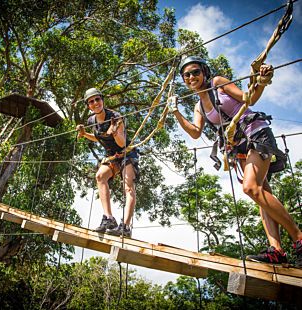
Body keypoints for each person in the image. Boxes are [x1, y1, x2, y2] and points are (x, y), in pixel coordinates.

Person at [169, 56, 302, 266]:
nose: (191, 77)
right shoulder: (199, 107)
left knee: (251, 188)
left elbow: (248, 98)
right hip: (239, 146)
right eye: (187, 75)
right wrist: (176, 112)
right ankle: (277, 250)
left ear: (204, 72)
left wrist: (261, 80)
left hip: (256, 133)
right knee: (261, 193)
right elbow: (195, 132)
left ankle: (299, 238)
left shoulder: (218, 83)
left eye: (195, 72)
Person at [76, 88, 139, 237]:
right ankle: (109, 219)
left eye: (97, 99)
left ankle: (125, 226)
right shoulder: (92, 121)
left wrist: (116, 132)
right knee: (100, 176)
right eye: (91, 101)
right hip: (111, 156)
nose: (95, 103)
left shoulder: (115, 117)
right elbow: (100, 138)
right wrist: (84, 134)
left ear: (102, 100)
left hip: (125, 152)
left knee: (128, 185)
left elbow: (122, 142)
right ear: (88, 105)